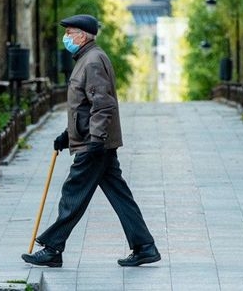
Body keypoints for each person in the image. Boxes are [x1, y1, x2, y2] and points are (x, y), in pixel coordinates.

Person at [21, 14, 160, 268]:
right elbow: (83, 107)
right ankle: (145, 246)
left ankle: (52, 248)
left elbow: (102, 105)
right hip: (94, 140)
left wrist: (95, 138)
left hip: (94, 143)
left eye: (70, 33)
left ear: (83, 36)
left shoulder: (92, 61)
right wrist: (68, 134)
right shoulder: (86, 59)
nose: (67, 38)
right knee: (120, 195)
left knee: (73, 192)